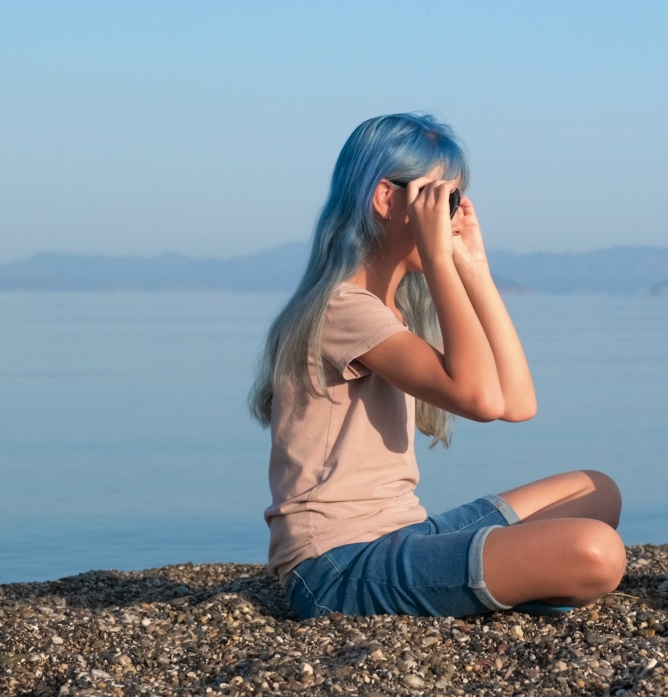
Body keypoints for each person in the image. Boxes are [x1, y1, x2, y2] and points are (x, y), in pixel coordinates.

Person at [248, 112, 625, 618]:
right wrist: (441, 260)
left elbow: (517, 404)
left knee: (597, 491)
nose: (452, 216)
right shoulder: (342, 310)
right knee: (596, 552)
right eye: (442, 199)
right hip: (337, 566)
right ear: (386, 198)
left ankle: (495, 584)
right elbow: (480, 400)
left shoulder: (384, 309)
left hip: (404, 535)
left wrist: (475, 268)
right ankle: (504, 587)